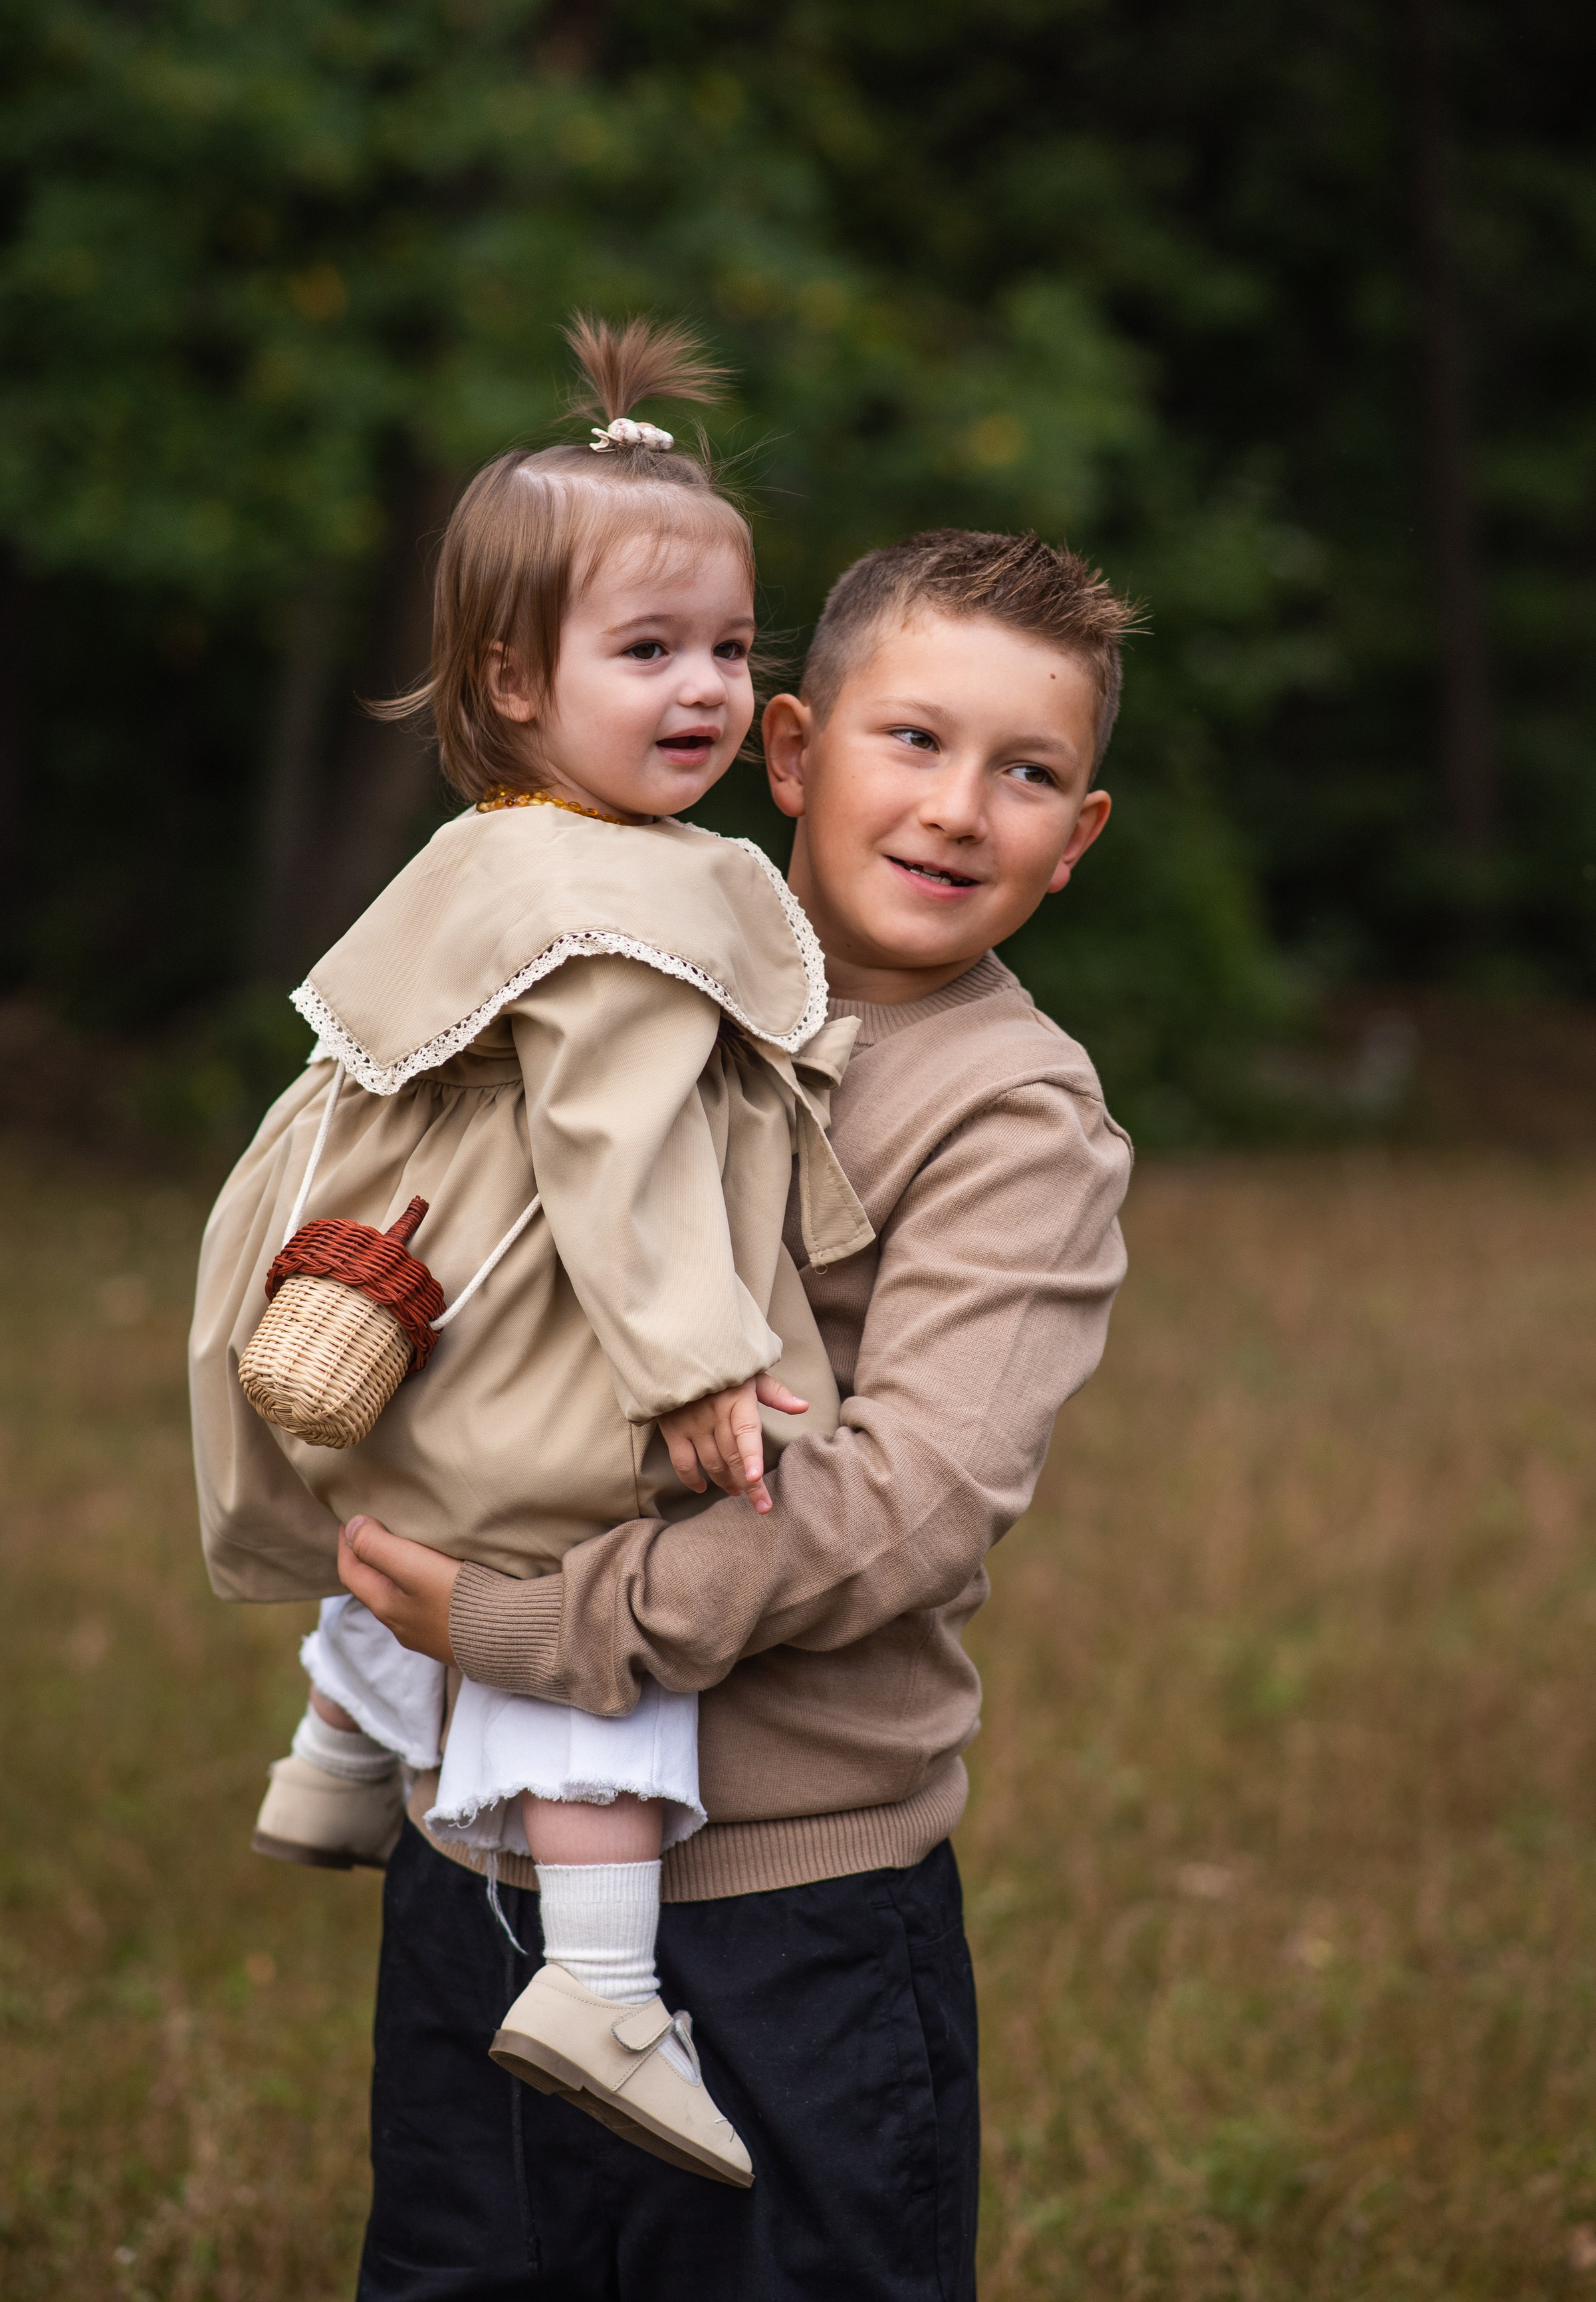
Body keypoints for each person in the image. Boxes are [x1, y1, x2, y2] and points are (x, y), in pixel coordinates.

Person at [337, 524, 1138, 2301]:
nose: (956, 807)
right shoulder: (620, 967)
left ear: (1075, 839)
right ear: (792, 750)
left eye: (1027, 773)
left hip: (789, 1915)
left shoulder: (1012, 1114)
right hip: (484, 1859)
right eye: (911, 740)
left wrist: (533, 1626)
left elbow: (902, 1501)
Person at [189, 315, 875, 2192]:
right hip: (548, 1305)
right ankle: (599, 1979)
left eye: (733, 648)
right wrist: (695, 1362)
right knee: (588, 1563)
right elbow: (615, 1149)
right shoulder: (628, 895)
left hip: (406, 1293)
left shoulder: (506, 845)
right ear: (511, 673)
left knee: (423, 1481)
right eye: (645, 651)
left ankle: (341, 1738)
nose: (707, 690)